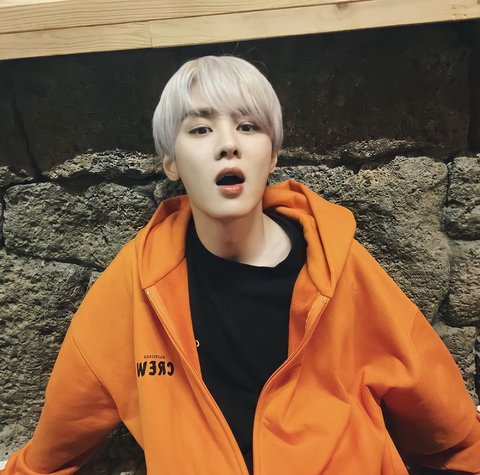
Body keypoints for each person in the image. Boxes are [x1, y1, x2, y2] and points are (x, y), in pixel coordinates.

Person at [2, 55, 480, 475]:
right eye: (200, 129)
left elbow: (428, 391)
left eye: (248, 126)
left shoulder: (334, 260)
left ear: (272, 155)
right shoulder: (140, 278)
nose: (227, 144)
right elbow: (75, 404)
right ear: (171, 163)